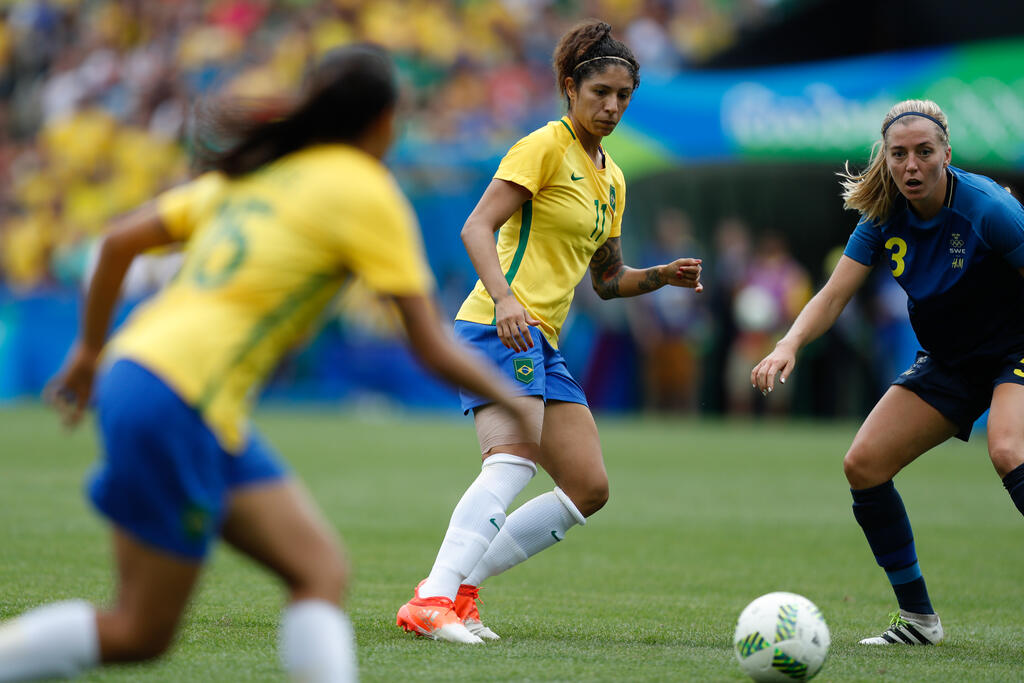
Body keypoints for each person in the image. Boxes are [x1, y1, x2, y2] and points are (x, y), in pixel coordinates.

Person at [0, 44, 530, 682]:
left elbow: (115, 243)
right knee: (140, 629)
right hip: (180, 395)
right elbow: (428, 341)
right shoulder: (365, 188)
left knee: (318, 571)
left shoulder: (258, 170)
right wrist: (518, 402)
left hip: (141, 371)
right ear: (384, 120)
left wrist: (87, 352)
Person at [395, 19, 703, 644]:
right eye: (600, 94)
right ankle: (432, 599)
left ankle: (458, 593)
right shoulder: (542, 146)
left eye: (623, 96)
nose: (612, 106)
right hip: (498, 324)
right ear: (570, 87)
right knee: (511, 459)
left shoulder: (612, 178)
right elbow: (476, 228)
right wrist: (507, 299)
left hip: (543, 341)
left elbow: (608, 280)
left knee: (588, 487)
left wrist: (661, 277)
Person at [751, 99, 1024, 646]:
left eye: (925, 152)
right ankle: (920, 622)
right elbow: (832, 296)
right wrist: (789, 344)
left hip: (1014, 349)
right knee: (864, 465)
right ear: (887, 158)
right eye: (899, 154)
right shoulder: (881, 216)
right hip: (951, 361)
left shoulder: (989, 209)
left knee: (1008, 449)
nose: (912, 165)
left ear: (947, 154)